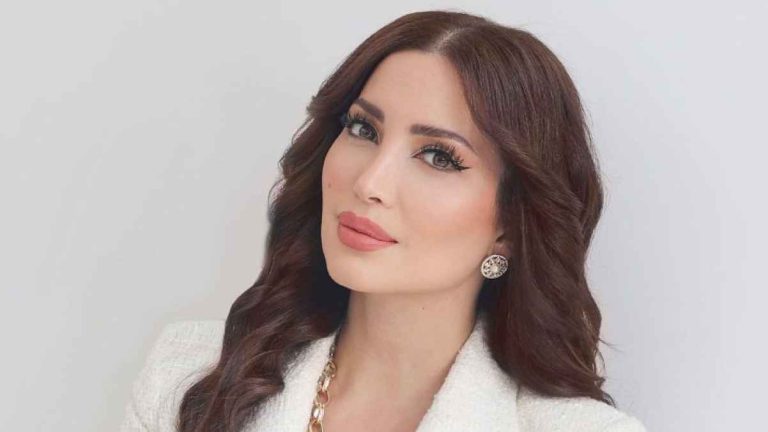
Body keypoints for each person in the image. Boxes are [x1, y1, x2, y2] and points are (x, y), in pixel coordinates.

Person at [120, 10, 647, 432]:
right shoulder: (189, 377)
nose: (370, 181)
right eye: (363, 130)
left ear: (510, 226)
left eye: (438, 156)